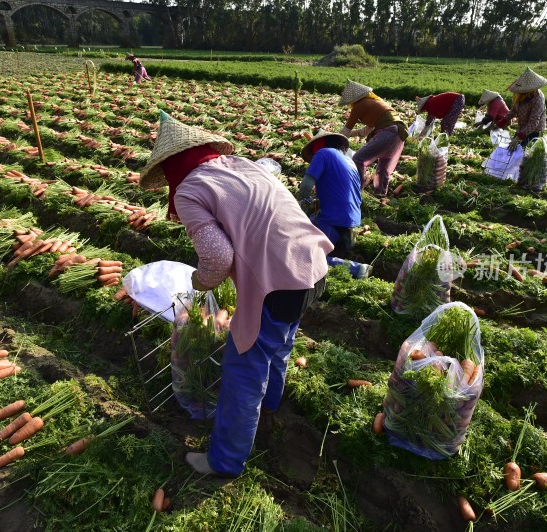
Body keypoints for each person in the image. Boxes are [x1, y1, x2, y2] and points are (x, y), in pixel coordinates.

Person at [139, 111, 331, 477]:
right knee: (280, 341)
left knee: (243, 370)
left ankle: (224, 462)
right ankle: (272, 404)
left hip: (278, 281)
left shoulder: (190, 191)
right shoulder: (241, 164)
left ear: (170, 169)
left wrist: (200, 281)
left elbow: (218, 256)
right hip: (313, 263)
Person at [299, 130, 372, 279]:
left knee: (305, 255)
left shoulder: (323, 153)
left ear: (318, 146)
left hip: (334, 219)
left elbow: (305, 186)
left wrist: (300, 207)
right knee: (313, 221)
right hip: (351, 220)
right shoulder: (348, 159)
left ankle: (356, 269)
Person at [338, 80, 408, 197]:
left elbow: (346, 129)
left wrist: (334, 141)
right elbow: (366, 130)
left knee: (359, 159)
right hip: (398, 132)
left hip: (389, 132)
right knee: (384, 165)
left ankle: (357, 192)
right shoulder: (374, 102)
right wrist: (349, 135)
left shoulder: (360, 105)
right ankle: (380, 194)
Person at [503, 67, 547, 153]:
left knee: (524, 153)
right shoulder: (519, 95)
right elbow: (514, 110)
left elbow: (534, 121)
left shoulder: (538, 99)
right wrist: (504, 120)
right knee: (512, 150)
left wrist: (519, 137)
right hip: (521, 127)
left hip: (534, 131)